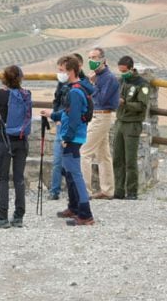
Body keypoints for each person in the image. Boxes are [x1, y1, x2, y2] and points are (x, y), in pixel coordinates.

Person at [45, 55, 94, 226]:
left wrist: (66, 138)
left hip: (72, 138)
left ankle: (85, 214)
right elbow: (67, 113)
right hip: (75, 136)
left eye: (62, 71)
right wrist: (52, 114)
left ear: (72, 71)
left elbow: (73, 118)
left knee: (75, 174)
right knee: (70, 172)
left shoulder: (74, 92)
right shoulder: (76, 89)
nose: (60, 74)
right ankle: (74, 207)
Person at [0, 65, 31, 228]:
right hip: (21, 140)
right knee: (19, 178)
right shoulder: (26, 94)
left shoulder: (1, 94)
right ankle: (19, 216)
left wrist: (0, 113)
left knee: (3, 178)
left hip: (4, 140)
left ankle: (3, 217)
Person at [81, 47, 119, 200]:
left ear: (103, 59)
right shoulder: (97, 77)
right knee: (103, 154)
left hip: (102, 116)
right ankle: (107, 190)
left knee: (84, 151)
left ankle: (84, 191)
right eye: (90, 58)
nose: (92, 61)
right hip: (97, 115)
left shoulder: (108, 78)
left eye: (95, 58)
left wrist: (92, 84)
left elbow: (102, 99)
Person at [112, 55, 150, 200]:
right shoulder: (122, 81)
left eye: (124, 71)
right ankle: (119, 191)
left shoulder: (142, 85)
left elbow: (142, 106)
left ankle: (132, 191)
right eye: (120, 71)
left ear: (131, 68)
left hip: (132, 124)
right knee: (117, 158)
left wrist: (124, 103)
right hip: (120, 122)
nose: (122, 74)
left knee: (130, 160)